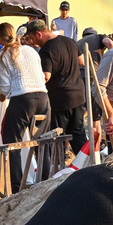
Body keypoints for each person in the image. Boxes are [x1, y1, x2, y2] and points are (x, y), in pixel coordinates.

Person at [0, 22, 50, 193]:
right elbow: (40, 75)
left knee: (13, 143)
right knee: (42, 143)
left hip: (22, 100)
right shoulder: (31, 50)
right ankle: (44, 184)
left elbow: (5, 87)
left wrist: (3, 95)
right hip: (43, 97)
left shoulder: (2, 55)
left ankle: (17, 187)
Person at [24, 19, 87, 155]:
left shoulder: (46, 51)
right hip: (78, 95)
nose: (32, 42)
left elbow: (46, 76)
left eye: (32, 37)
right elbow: (81, 61)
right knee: (77, 133)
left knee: (55, 136)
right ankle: (86, 164)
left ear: (39, 34)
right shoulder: (69, 41)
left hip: (60, 99)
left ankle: (56, 168)